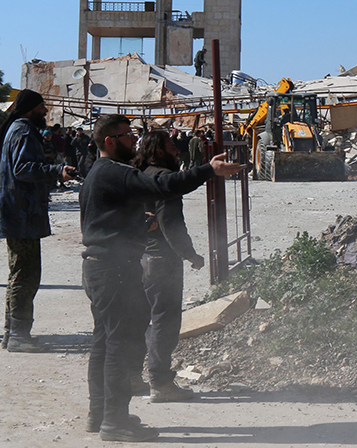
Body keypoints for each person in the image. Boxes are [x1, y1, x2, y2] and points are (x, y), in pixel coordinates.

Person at [80, 114, 242, 441]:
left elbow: (103, 223)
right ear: (110, 141)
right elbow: (163, 186)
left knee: (104, 342)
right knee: (120, 346)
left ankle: (99, 414)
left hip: (101, 267)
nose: (134, 141)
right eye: (128, 135)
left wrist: (139, 226)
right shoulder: (115, 172)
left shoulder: (97, 173)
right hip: (115, 272)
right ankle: (115, 422)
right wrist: (208, 170)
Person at [132, 132, 204, 403]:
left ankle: (131, 375)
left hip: (137, 258)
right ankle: (160, 383)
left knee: (139, 319)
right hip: (162, 261)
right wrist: (191, 255)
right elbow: (171, 224)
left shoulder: (138, 173)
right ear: (159, 151)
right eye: (173, 147)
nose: (177, 152)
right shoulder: (165, 179)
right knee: (165, 320)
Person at [0, 90, 74, 352]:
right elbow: (23, 169)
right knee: (26, 274)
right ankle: (18, 335)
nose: (45, 112)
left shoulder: (17, 129)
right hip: (22, 214)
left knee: (19, 272)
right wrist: (56, 171)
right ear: (31, 108)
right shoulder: (24, 131)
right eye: (42, 107)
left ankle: (12, 333)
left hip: (19, 212)